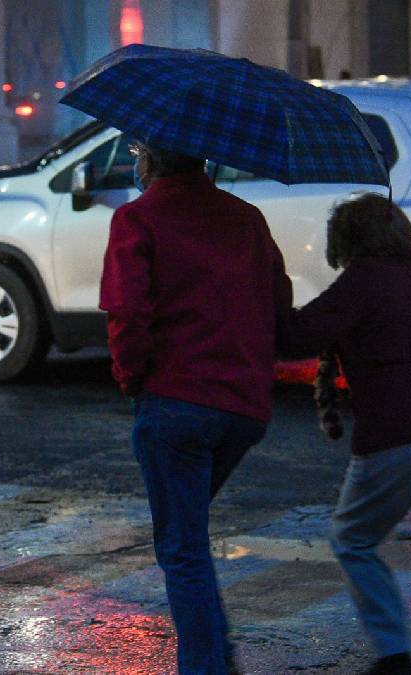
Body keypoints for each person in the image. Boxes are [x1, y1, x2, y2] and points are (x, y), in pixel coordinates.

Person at [100, 141, 294, 674]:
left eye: (138, 151)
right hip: (243, 407)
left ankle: (208, 665)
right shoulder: (246, 218)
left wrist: (132, 379)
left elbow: (126, 312)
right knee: (187, 531)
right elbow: (278, 304)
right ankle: (215, 657)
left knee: (182, 547)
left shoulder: (137, 219)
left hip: (176, 402)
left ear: (150, 160)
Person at [278, 193, 411, 675]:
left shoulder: (365, 280)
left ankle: (394, 654)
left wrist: (268, 289)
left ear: (348, 239)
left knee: (353, 538)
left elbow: (295, 338)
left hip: (402, 431)